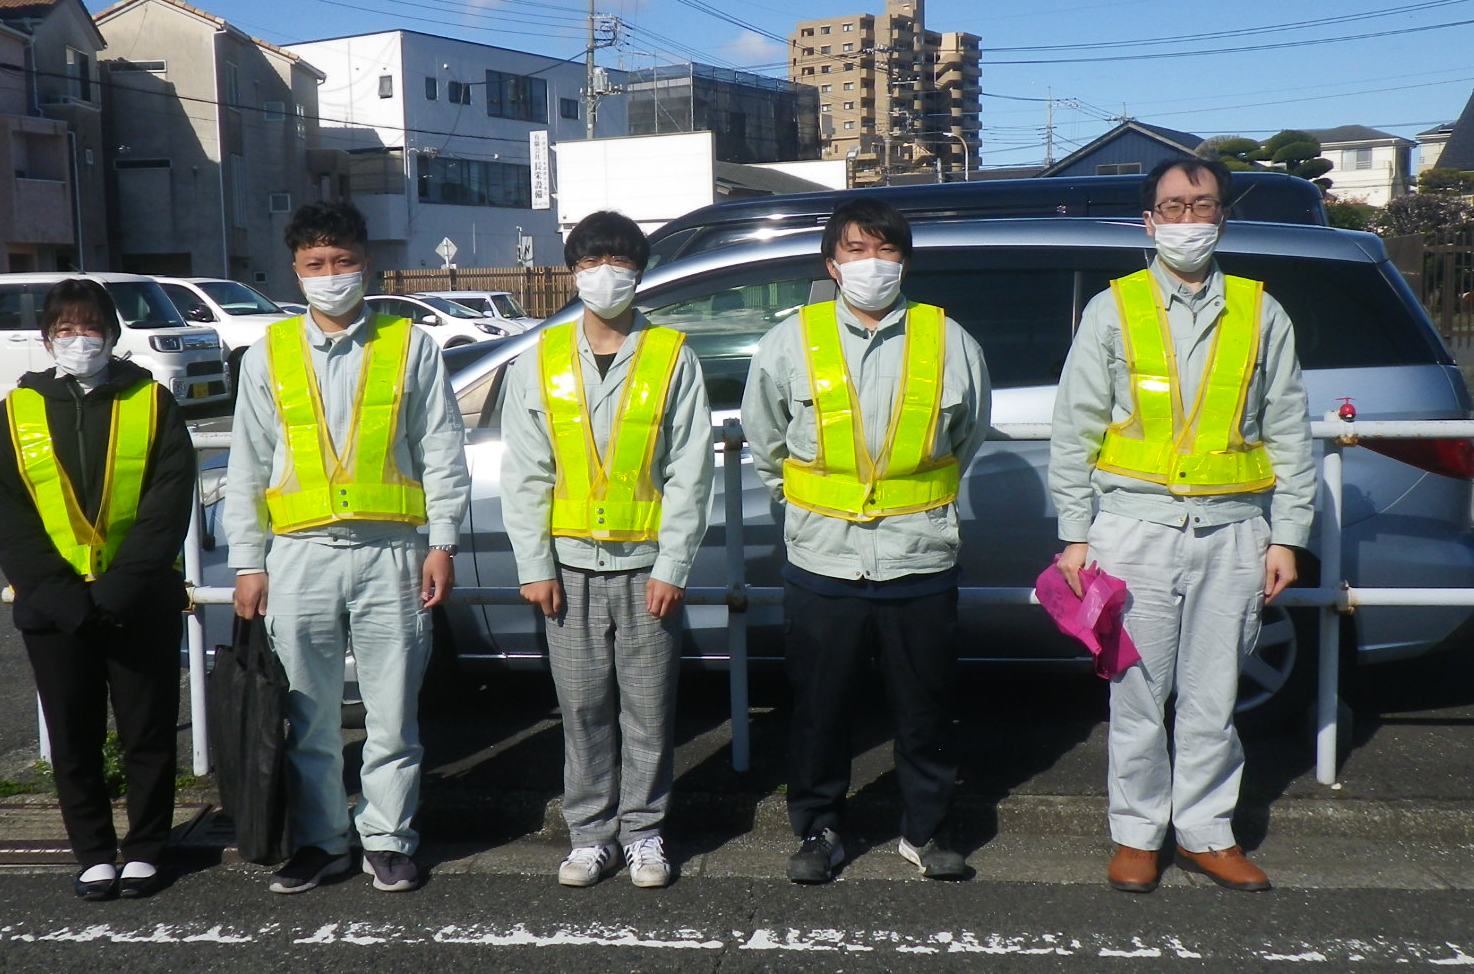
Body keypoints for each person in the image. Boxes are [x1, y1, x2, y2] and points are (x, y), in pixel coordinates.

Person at [1048, 157, 1316, 894]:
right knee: (1136, 689)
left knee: (1215, 693)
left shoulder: (1263, 312)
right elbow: (1074, 430)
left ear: (1222, 216)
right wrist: (1076, 534)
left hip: (1233, 532)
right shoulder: (1115, 308)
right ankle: (1136, 833)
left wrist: (1288, 536)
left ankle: (1205, 831)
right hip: (1133, 528)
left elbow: (1291, 432)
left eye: (1202, 205)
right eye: (1173, 206)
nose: (1188, 219)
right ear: (1149, 220)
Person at [740, 197, 992, 884]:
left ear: (904, 260)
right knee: (819, 710)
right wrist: (802, 502)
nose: (871, 263)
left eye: (885, 249)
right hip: (822, 558)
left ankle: (927, 830)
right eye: (855, 249)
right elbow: (765, 440)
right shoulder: (791, 340)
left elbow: (966, 436)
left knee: (926, 708)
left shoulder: (949, 340)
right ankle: (819, 828)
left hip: (920, 556)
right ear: (832, 262)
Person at [223, 200, 469, 895]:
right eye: (315, 265)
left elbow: (442, 448)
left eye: (343, 261)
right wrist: (248, 562)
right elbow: (247, 463)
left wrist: (442, 541)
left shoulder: (410, 344)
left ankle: (389, 838)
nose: (331, 275)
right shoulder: (268, 354)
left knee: (394, 713)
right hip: (297, 556)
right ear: (296, 272)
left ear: (368, 263)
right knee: (308, 715)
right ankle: (323, 840)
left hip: (391, 552)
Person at [498, 210, 714, 889]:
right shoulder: (542, 356)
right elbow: (524, 469)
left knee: (648, 709)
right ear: (573, 272)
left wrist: (674, 564)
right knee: (584, 706)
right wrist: (533, 565)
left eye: (618, 262)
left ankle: (644, 832)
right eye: (590, 263)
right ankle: (591, 834)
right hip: (567, 567)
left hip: (647, 565)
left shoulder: (672, 354)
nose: (604, 275)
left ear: (639, 272)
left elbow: (690, 470)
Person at [0, 278, 196, 901]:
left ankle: (147, 848)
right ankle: (94, 852)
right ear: (47, 337)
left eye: (91, 327)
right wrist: (57, 592)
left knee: (147, 731)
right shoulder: (15, 412)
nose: (80, 340)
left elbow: (168, 500)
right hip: (55, 608)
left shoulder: (153, 402)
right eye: (66, 329)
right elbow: (7, 512)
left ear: (114, 332)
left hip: (138, 599)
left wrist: (123, 586)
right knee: (72, 735)